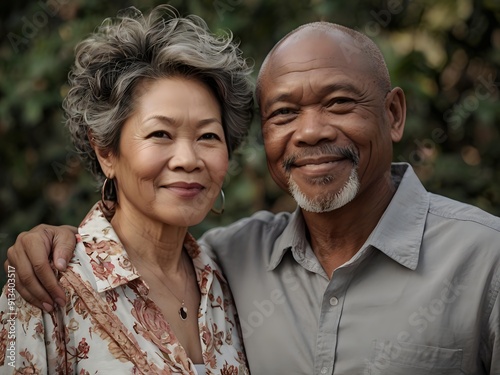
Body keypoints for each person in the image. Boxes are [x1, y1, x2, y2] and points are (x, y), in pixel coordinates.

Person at [5, 21, 500, 375]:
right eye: (284, 113)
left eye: (339, 103)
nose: (310, 132)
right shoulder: (51, 284)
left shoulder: (222, 273)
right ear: (106, 152)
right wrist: (55, 240)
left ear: (393, 114)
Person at [0, 5, 253, 374]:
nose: (188, 159)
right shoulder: (42, 285)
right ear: (106, 152)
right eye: (160, 134)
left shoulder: (230, 282)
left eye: (208, 136)